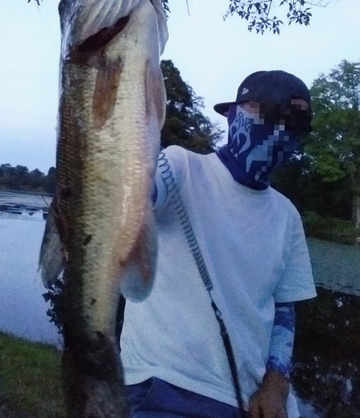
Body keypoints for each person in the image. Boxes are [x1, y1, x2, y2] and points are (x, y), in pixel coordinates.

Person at [120, 70, 317, 418]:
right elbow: (126, 201)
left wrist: (277, 382)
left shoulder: (287, 216)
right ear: (233, 115)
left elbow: (284, 308)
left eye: (297, 125)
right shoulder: (181, 168)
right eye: (271, 115)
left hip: (251, 402)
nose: (283, 132)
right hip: (164, 389)